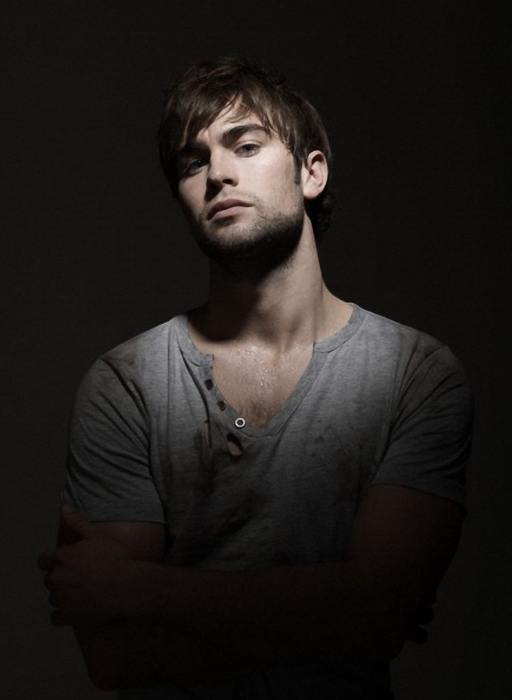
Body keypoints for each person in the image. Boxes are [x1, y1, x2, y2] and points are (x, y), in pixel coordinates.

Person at [38, 56, 474, 699]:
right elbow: (117, 657)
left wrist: (141, 588)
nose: (217, 173)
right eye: (193, 162)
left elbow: (376, 615)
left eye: (245, 145)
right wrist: (336, 605)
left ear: (312, 172)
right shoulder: (125, 383)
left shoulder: (414, 373)